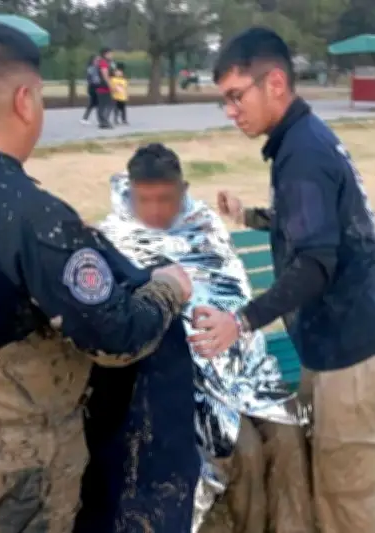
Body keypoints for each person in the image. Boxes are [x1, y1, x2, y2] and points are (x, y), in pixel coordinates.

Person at [0, 20, 195, 533]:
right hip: (28, 461)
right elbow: (116, 337)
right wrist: (170, 288)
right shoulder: (32, 215)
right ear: (25, 100)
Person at [190, 27, 375, 533]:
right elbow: (313, 223)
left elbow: (315, 263)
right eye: (225, 100)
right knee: (320, 479)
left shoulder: (303, 155)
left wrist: (240, 321)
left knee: (343, 503)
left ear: (277, 83)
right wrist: (252, 216)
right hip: (330, 346)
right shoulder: (300, 143)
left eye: (236, 96)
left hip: (352, 353)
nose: (230, 111)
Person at [98, 143, 312, 533]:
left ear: (183, 189)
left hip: (239, 361)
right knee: (241, 447)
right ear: (131, 194)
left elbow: (234, 291)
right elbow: (123, 325)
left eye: (167, 198)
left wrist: (228, 330)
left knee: (287, 435)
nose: (157, 210)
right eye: (146, 199)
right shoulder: (113, 239)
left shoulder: (203, 223)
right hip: (176, 379)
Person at [95, 47, 114, 129]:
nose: (111, 55)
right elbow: (105, 75)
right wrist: (110, 85)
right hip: (104, 86)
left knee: (102, 105)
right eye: (110, 53)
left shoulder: (101, 62)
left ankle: (102, 121)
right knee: (108, 104)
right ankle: (104, 121)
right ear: (106, 54)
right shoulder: (103, 63)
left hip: (100, 85)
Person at [80, 54, 99, 125]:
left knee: (95, 103)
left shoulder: (97, 68)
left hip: (96, 86)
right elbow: (90, 79)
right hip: (93, 87)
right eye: (97, 60)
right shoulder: (91, 68)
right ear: (93, 61)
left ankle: (85, 118)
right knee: (93, 103)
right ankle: (85, 118)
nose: (98, 62)